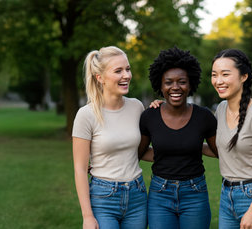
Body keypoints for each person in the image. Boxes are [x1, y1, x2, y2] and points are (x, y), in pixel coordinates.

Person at [138, 47, 218, 229]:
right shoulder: (149, 116)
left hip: (195, 194)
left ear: (190, 85)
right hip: (160, 194)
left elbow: (219, 151)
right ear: (160, 85)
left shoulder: (204, 117)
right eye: (168, 82)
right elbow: (136, 153)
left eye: (182, 82)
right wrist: (101, 161)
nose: (175, 87)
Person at [72, 46, 148, 229]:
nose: (126, 75)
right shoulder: (86, 115)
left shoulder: (137, 107)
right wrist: (87, 216)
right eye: (118, 71)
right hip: (103, 198)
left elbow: (140, 151)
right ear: (100, 78)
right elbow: (80, 170)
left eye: (128, 69)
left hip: (137, 195)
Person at [211, 48, 252, 228]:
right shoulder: (220, 109)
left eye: (225, 74)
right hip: (227, 195)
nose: (218, 81)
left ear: (244, 77)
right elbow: (223, 149)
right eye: (214, 75)